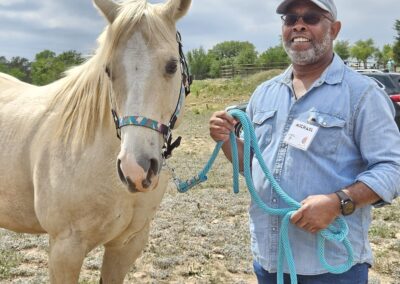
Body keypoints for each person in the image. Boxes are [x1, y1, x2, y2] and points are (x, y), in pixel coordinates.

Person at [209, 0, 400, 283]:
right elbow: (253, 164)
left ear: (334, 29)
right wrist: (226, 140)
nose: (298, 25)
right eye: (290, 19)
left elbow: (392, 169)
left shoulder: (363, 95)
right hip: (269, 262)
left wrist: (338, 203)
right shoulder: (264, 93)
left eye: (311, 17)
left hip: (332, 268)